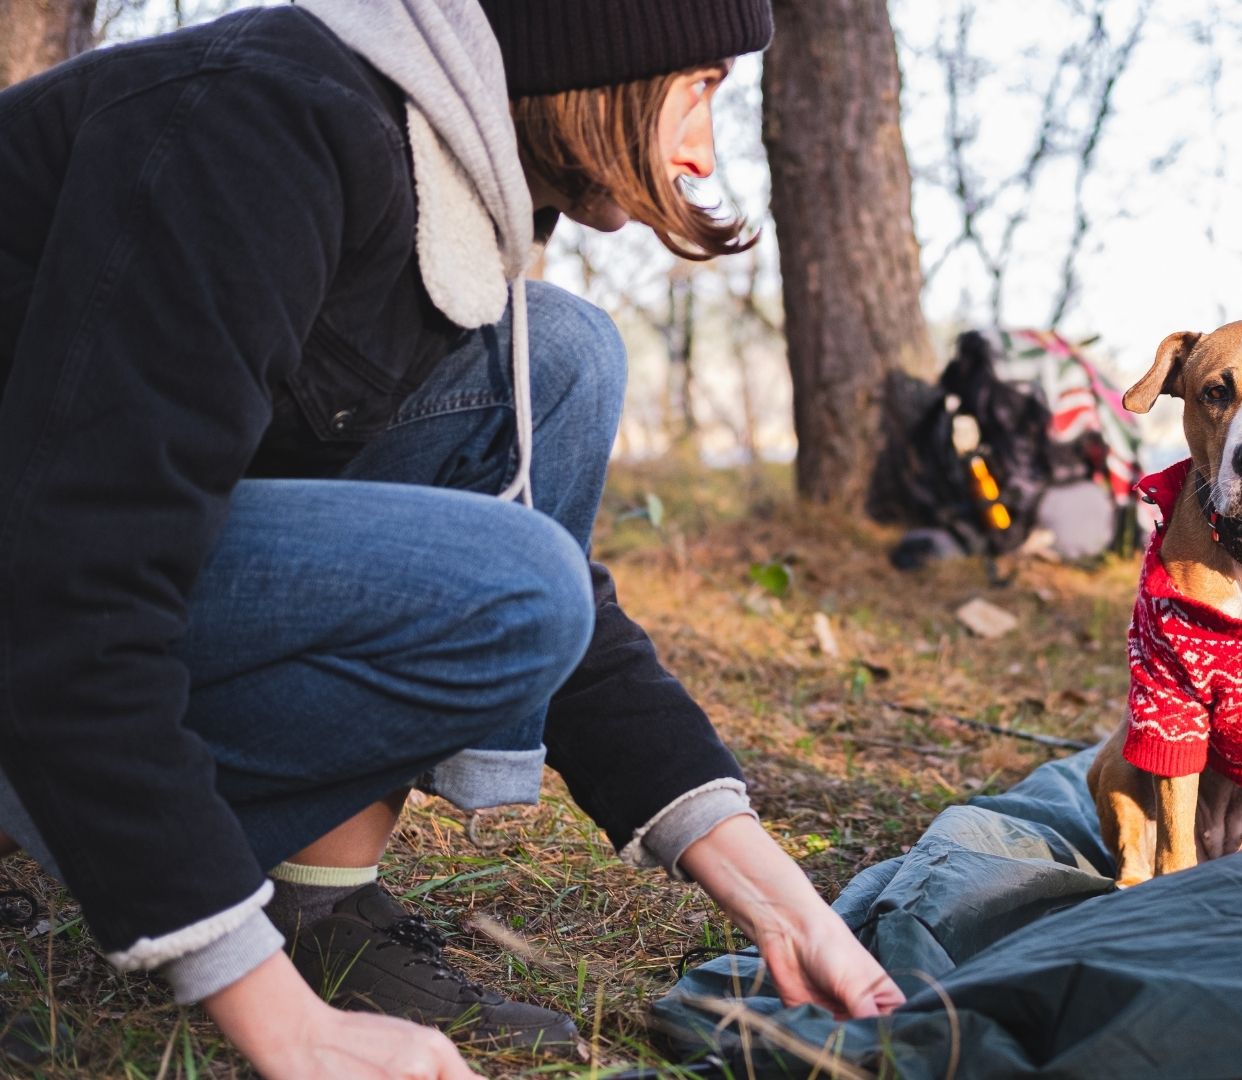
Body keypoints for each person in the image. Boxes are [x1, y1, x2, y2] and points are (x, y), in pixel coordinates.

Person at [0, 0, 906, 1074]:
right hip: (39, 596)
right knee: (516, 586)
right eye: (700, 88)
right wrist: (275, 1020)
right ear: (600, 51)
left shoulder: (432, 182)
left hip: (59, 570)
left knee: (561, 356)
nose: (702, 150)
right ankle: (137, 859)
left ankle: (316, 906)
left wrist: (778, 898)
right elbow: (74, 586)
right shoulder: (258, 123)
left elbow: (563, 607)